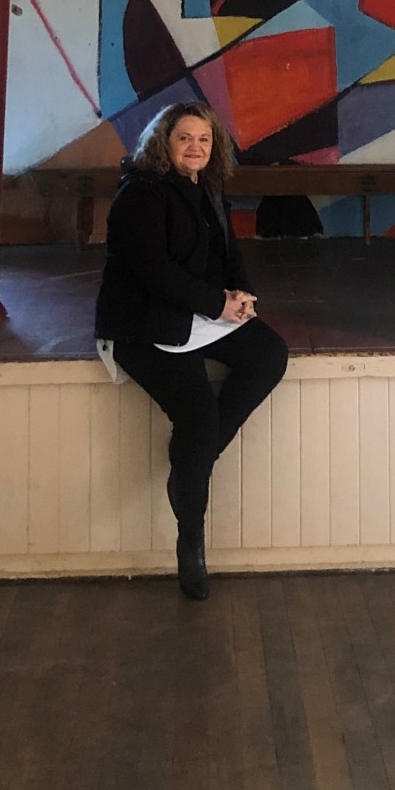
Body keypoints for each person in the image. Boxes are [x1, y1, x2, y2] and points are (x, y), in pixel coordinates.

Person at [94, 101, 288, 600]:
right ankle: (191, 542)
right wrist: (216, 303)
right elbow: (153, 273)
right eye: (184, 138)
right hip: (143, 323)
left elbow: (229, 252)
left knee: (269, 354)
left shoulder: (208, 186)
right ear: (164, 142)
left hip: (197, 311)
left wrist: (241, 295)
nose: (195, 147)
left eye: (204, 138)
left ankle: (191, 468)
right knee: (198, 419)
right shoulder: (141, 193)